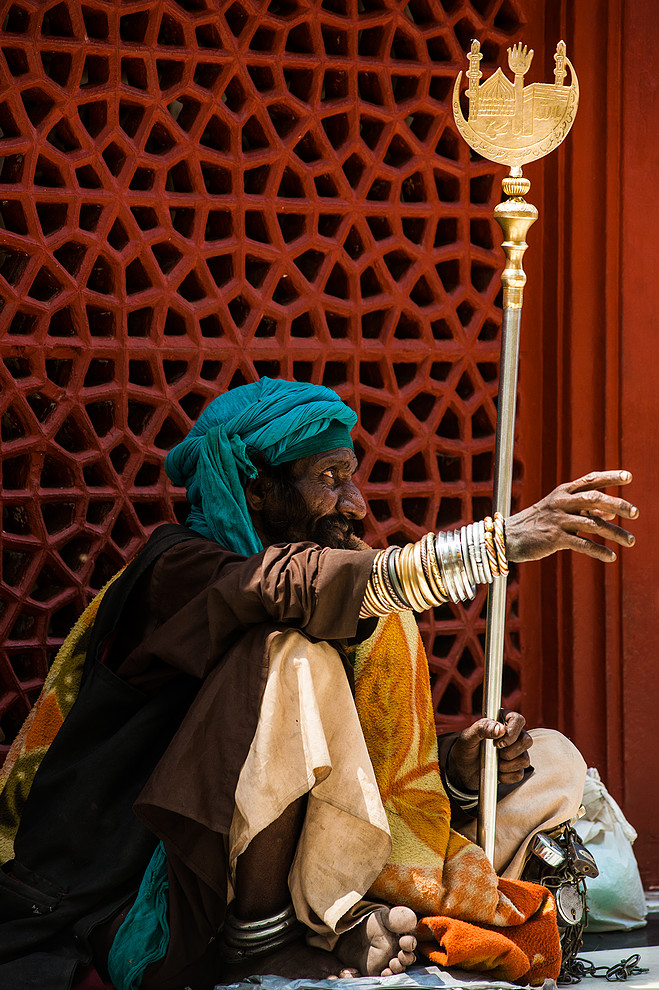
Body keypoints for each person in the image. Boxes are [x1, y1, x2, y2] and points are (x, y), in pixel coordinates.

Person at [0, 378, 637, 990]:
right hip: (157, 885)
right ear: (253, 488)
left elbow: (347, 755)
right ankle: (263, 938)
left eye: (350, 477)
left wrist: (456, 769)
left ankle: (345, 913)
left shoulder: (332, 582)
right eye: (329, 479)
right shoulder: (180, 567)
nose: (355, 502)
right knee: (295, 658)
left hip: (314, 842)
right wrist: (497, 545)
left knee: (553, 761)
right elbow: (296, 591)